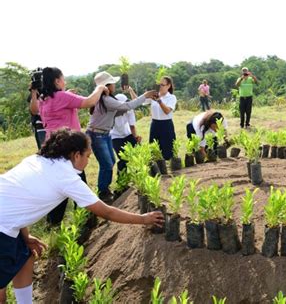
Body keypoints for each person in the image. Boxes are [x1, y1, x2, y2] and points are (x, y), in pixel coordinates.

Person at [0, 129, 164, 304]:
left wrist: (25, 236)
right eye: (88, 155)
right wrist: (143, 219)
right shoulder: (66, 178)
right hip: (2, 229)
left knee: (26, 258)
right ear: (76, 155)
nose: (88, 160)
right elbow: (105, 211)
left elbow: (13, 200)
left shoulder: (37, 160)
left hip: (7, 222)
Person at [29, 67, 107, 226]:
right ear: (57, 81)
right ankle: (84, 219)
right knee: (75, 183)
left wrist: (67, 95)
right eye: (63, 78)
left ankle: (55, 223)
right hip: (68, 146)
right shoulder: (62, 97)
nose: (65, 81)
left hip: (52, 145)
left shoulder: (44, 99)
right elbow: (90, 101)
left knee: (64, 183)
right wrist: (99, 88)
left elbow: (39, 109)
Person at [87, 71, 158, 203]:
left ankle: (105, 190)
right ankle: (103, 192)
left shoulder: (105, 99)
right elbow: (127, 106)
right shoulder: (106, 100)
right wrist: (145, 95)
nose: (115, 85)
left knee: (111, 162)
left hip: (104, 134)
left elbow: (124, 109)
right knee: (107, 164)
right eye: (113, 83)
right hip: (97, 134)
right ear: (107, 86)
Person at [110, 93, 141, 174]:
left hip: (128, 134)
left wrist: (136, 138)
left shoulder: (129, 110)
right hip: (115, 136)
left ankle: (139, 175)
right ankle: (122, 181)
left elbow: (132, 126)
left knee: (137, 154)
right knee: (123, 159)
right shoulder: (110, 112)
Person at [148, 76, 177, 160]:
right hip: (155, 124)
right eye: (159, 85)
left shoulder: (171, 97)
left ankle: (170, 169)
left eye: (162, 85)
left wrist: (159, 101)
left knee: (167, 150)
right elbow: (138, 100)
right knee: (154, 150)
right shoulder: (154, 96)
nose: (160, 87)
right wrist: (130, 90)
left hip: (166, 125)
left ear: (168, 86)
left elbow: (167, 111)